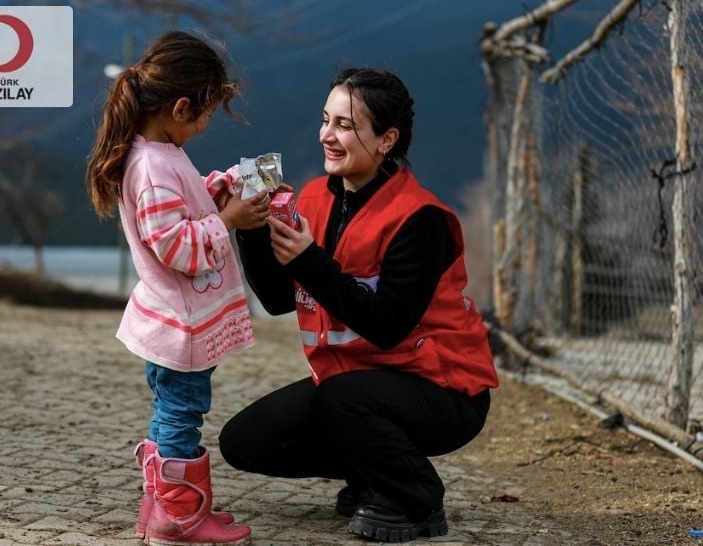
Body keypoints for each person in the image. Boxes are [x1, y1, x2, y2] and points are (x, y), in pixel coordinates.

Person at [220, 68, 499, 543]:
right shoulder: (310, 197)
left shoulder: (421, 218)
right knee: (245, 442)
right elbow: (275, 299)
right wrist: (249, 227)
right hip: (353, 388)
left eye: (346, 125)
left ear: (387, 139)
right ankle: (375, 475)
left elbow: (387, 325)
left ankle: (415, 498)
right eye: (326, 120)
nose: (327, 135)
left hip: (444, 392)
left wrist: (309, 261)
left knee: (342, 397)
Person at [85, 30, 270, 546]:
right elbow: (175, 246)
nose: (206, 125)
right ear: (181, 106)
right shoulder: (153, 165)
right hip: (179, 325)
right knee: (182, 416)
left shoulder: (157, 153)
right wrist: (228, 219)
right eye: (207, 114)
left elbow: (174, 215)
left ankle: (161, 508)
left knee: (172, 413)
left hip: (173, 320)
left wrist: (215, 193)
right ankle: (181, 519)